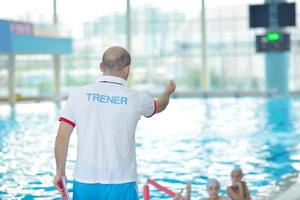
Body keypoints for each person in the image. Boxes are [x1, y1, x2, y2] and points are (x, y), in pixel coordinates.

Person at [53, 46, 176, 199]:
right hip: (122, 182)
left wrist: (60, 171)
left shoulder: (78, 95)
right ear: (127, 69)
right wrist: (167, 92)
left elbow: (62, 138)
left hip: (85, 181)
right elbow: (160, 105)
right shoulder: (136, 98)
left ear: (101, 67)